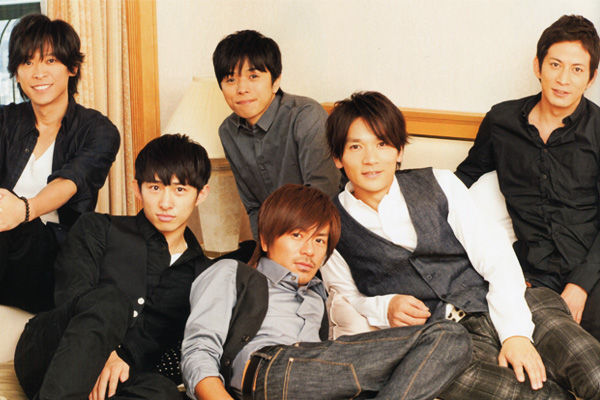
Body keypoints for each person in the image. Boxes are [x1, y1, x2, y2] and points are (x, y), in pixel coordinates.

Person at [321, 91, 600, 399]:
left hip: (512, 304)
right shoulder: (329, 224)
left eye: (382, 144)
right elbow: (345, 297)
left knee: (595, 373)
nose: (370, 159)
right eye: (356, 146)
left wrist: (515, 334)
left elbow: (496, 257)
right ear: (338, 157)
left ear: (399, 150)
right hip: (440, 348)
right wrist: (384, 307)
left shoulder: (441, 183)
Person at [181, 184, 472, 400]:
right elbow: (198, 350)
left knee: (452, 346)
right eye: (297, 235)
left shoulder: (318, 296)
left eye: (319, 240)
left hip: (319, 383)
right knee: (445, 335)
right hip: (268, 371)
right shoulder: (232, 273)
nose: (309, 250)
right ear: (266, 240)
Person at [14, 134, 213, 400]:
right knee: (110, 300)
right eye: (155, 188)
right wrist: (107, 353)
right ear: (136, 188)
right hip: (50, 352)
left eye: (180, 190)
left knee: (162, 392)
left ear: (201, 194)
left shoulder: (203, 273)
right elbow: (71, 296)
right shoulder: (98, 228)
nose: (166, 203)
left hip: (116, 380)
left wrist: (127, 358)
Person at [455, 15, 600, 342]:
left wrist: (580, 285)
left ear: (591, 78)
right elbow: (465, 178)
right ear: (538, 66)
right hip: (529, 274)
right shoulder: (501, 121)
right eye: (555, 65)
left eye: (577, 69)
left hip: (590, 272)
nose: (563, 79)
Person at [0, 14, 121, 313]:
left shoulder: (98, 130)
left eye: (50, 60)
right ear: (17, 73)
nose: (38, 73)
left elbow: (69, 182)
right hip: (6, 250)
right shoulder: (5, 122)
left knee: (22, 231)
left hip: (58, 256)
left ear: (72, 67)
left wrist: (23, 210)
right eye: (27, 62)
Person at [213, 30, 341, 239]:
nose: (242, 88)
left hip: (323, 235)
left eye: (253, 76)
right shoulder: (228, 131)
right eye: (230, 79)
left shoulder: (305, 115)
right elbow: (254, 207)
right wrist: (264, 251)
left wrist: (286, 250)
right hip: (274, 243)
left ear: (276, 81)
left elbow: (323, 194)